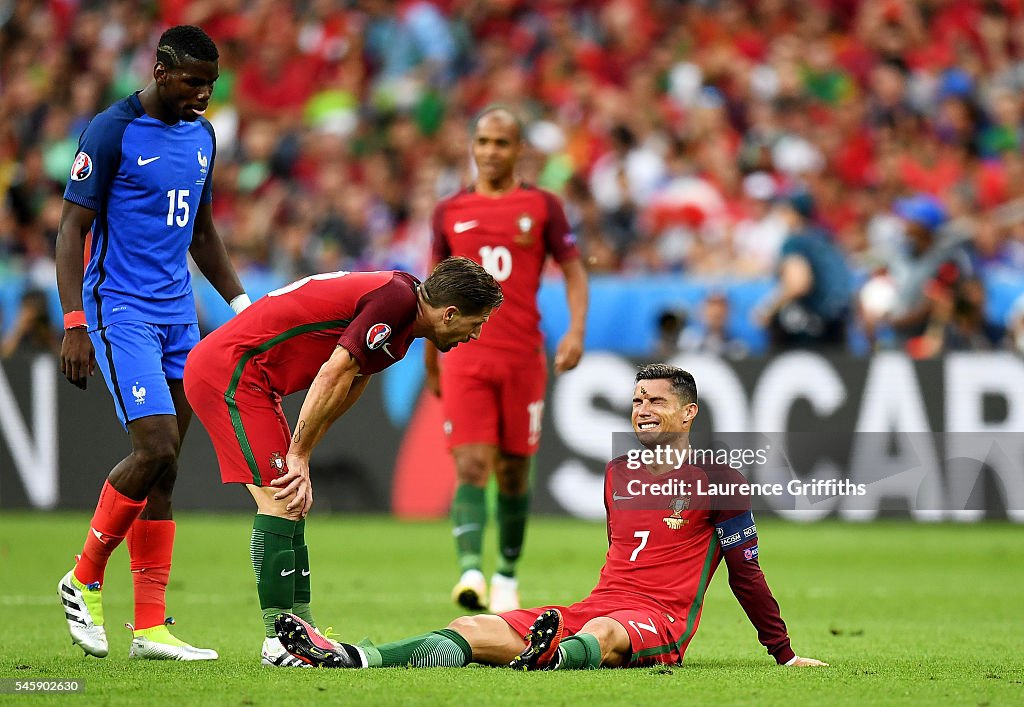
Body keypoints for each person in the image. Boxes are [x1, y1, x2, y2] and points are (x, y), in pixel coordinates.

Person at [274, 364, 828, 671]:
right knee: (474, 626)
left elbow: (745, 572)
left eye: (656, 402)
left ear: (689, 413)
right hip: (595, 606)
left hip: (656, 622)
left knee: (604, 634)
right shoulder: (617, 473)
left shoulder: (721, 479)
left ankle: (554, 656)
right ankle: (357, 657)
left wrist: (782, 653)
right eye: (637, 400)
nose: (642, 410)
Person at [182, 257, 503, 667]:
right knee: (281, 500)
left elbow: (351, 382)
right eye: (476, 323)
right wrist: (297, 454)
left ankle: (303, 631)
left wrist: (305, 456)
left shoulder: (402, 317)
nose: (475, 334)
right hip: (231, 371)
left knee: (293, 500)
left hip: (256, 381)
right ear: (450, 313)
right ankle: (279, 641)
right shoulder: (395, 303)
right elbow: (334, 373)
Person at [55, 25, 249, 661]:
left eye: (211, 85)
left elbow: (203, 232)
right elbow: (70, 231)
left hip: (179, 317)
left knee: (166, 468)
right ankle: (82, 577)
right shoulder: (110, 131)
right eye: (194, 82)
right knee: (154, 443)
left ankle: (151, 629)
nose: (204, 95)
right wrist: (75, 321)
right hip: (122, 312)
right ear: (161, 70)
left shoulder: (203, 136)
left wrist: (243, 306)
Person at [426, 106, 589, 614]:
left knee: (514, 472)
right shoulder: (448, 211)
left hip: (523, 357)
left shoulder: (542, 206)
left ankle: (507, 575)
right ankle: (471, 570)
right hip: (466, 357)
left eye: (501, 142)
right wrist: (432, 359)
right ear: (471, 147)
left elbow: (575, 271)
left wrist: (576, 332)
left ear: (520, 150)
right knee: (471, 464)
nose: (490, 151)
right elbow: (430, 291)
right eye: (482, 141)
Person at [759, 191, 851, 351]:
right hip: (838, 324)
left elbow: (798, 284)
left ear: (793, 213)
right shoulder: (825, 238)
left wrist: (768, 310)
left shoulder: (795, 242)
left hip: (809, 328)